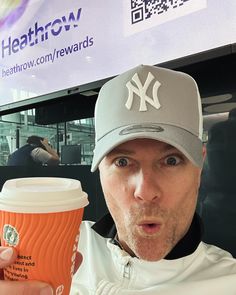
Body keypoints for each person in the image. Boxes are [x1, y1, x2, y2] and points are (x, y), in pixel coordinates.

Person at [0, 65, 236, 294]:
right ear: (100, 168)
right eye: (122, 162)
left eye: (171, 160)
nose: (145, 191)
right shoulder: (55, 245)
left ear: (199, 166)